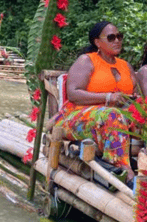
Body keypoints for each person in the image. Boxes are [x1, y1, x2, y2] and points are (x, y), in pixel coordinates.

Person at [48, 21, 137, 181]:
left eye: (119, 36)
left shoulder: (126, 66)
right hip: (76, 118)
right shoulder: (86, 61)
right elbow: (73, 93)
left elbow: (136, 96)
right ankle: (122, 170)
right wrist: (108, 97)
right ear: (97, 42)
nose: (117, 40)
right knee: (112, 115)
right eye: (111, 37)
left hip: (117, 118)